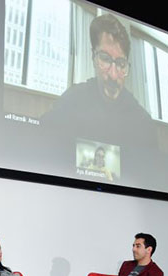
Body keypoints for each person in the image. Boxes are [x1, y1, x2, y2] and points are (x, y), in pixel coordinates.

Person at [41, 14, 158, 176]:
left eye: (121, 64)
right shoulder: (71, 101)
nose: (113, 75)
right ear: (93, 57)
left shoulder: (143, 123)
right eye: (105, 59)